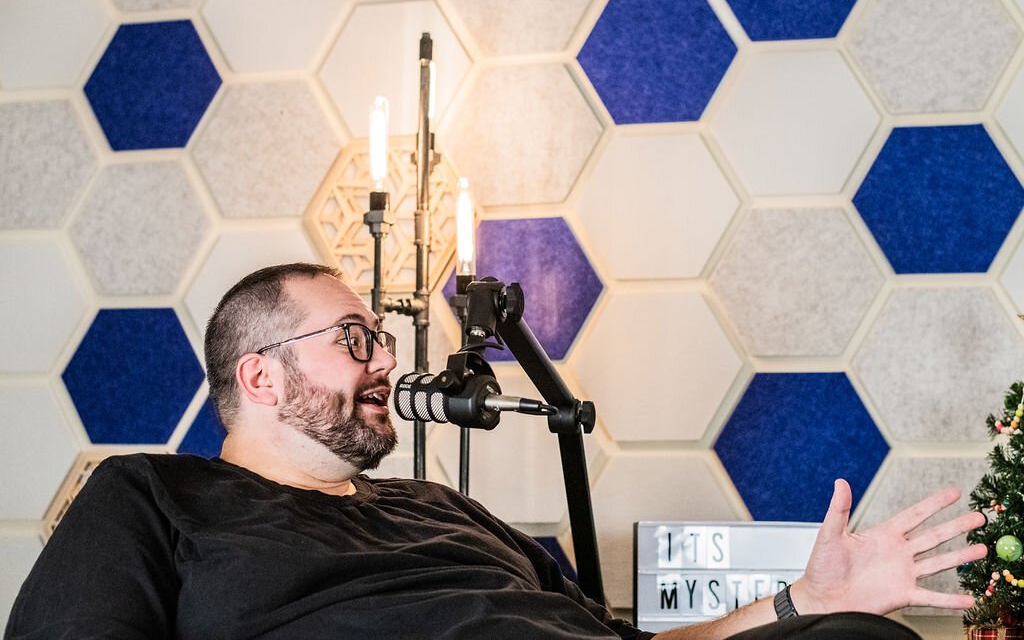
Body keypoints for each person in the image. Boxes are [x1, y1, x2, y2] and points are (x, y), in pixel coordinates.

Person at [5, 263, 985, 639]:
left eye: (381, 339)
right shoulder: (156, 498)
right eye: (353, 339)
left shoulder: (442, 509)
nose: (386, 357)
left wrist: (800, 598)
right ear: (259, 377)